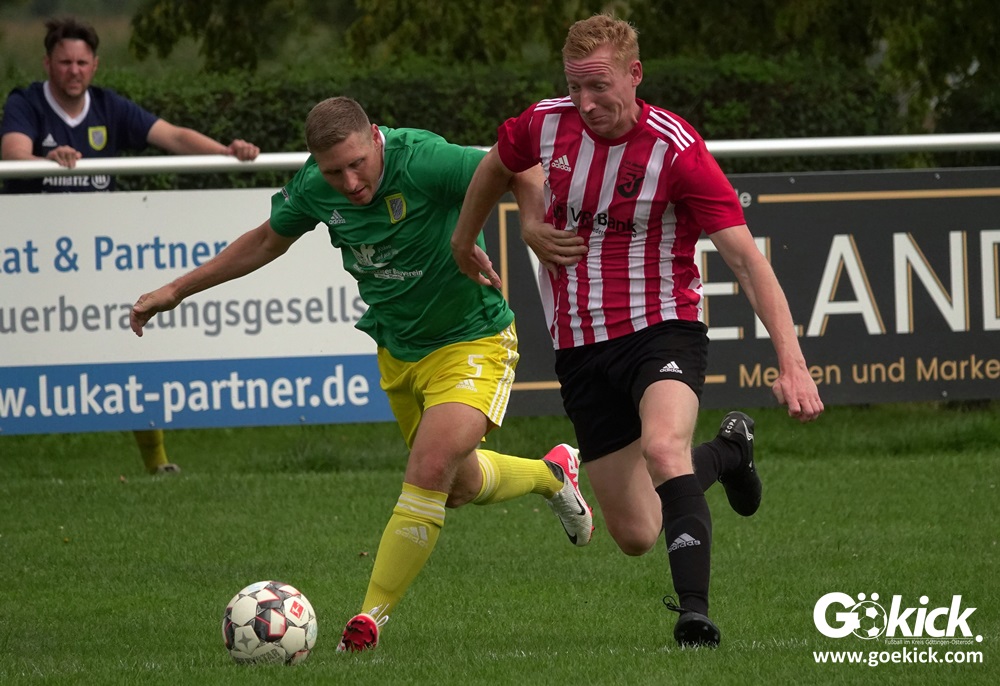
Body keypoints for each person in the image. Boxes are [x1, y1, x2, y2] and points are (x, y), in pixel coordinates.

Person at [129, 96, 594, 652]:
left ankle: (367, 622)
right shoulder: (313, 186)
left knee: (429, 467)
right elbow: (266, 240)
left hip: (473, 339)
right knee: (458, 486)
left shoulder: (423, 160)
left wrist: (531, 224)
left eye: (357, 164)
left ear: (375, 138)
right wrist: (177, 289)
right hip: (398, 351)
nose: (349, 183)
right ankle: (551, 474)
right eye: (334, 172)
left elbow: (518, 163)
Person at [451, 13, 824, 648]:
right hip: (579, 343)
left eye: (599, 86)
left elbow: (745, 259)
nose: (586, 102)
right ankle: (729, 451)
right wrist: (472, 239)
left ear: (635, 74)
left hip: (663, 328)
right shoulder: (546, 123)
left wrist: (791, 362)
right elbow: (497, 166)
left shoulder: (676, 150)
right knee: (636, 533)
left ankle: (694, 616)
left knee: (664, 449)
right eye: (575, 87)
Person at [1, 16, 260, 473]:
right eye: (64, 62)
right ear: (47, 63)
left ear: (95, 65)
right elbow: (13, 153)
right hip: (35, 260)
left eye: (82, 62)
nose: (74, 70)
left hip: (102, 253)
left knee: (128, 347)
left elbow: (172, 135)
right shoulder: (26, 102)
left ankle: (157, 463)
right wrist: (47, 158)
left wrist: (225, 151)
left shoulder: (108, 106)